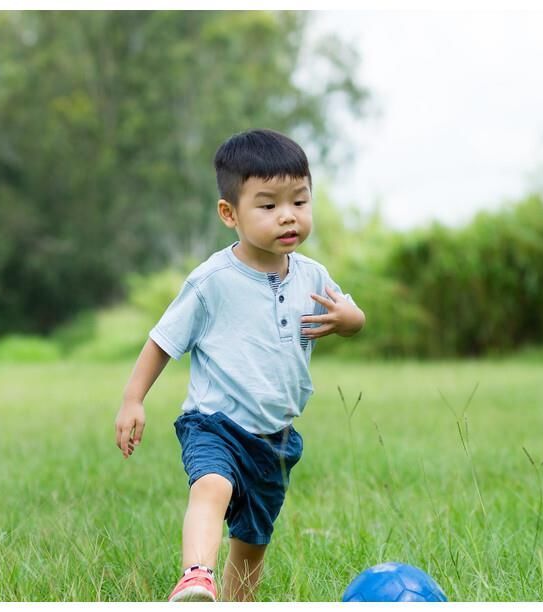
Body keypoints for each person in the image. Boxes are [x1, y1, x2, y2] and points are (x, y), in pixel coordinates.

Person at [114, 128, 366, 602]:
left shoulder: (312, 276)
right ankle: (195, 575)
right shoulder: (213, 281)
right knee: (212, 486)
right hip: (215, 423)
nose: (288, 216)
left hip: (275, 437)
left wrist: (350, 319)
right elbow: (162, 341)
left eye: (300, 201)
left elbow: (352, 318)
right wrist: (133, 399)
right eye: (268, 205)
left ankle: (232, 601)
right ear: (230, 213)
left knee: (252, 544)